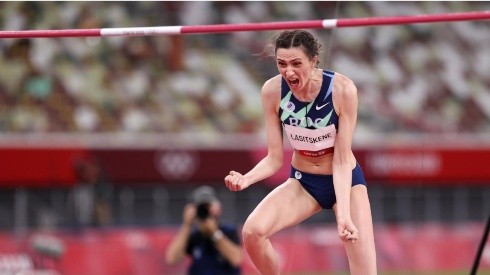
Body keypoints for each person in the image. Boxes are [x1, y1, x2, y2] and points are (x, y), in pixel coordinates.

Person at [224, 30, 377, 275]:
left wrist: (344, 216)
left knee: (365, 271)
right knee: (252, 232)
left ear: (314, 60)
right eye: (281, 64)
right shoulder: (272, 91)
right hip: (304, 182)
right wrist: (246, 178)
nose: (289, 72)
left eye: (297, 63)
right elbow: (274, 158)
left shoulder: (342, 90)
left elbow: (340, 160)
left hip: (345, 182)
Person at [165, 185, 243, 275]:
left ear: (217, 208)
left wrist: (214, 233)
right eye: (201, 207)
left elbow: (236, 259)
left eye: (208, 207)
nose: (205, 211)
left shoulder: (228, 231)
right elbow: (171, 259)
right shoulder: (195, 236)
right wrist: (187, 225)